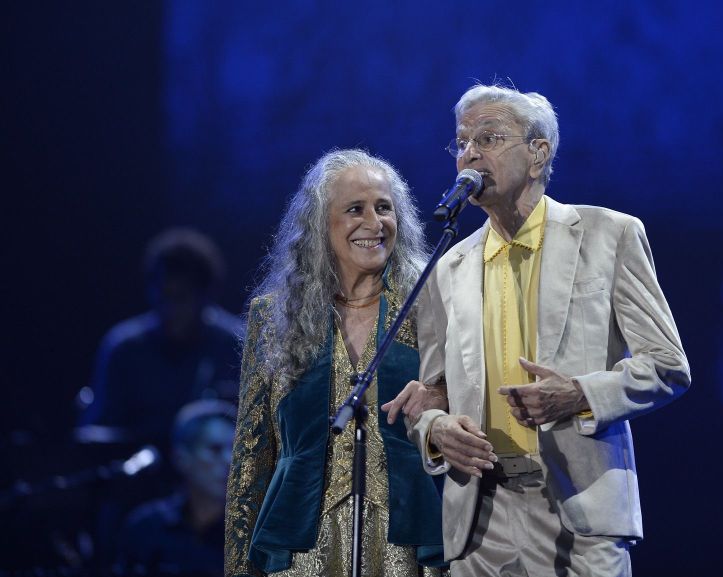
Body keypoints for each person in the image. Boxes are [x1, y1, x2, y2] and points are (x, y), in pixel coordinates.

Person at [384, 84, 691, 576]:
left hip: (579, 507)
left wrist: (579, 394)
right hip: (480, 516)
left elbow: (668, 367)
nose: (470, 153)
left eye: (489, 138)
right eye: (461, 142)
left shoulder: (609, 235)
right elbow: (434, 393)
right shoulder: (451, 266)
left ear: (538, 153)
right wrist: (437, 431)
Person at [225, 149, 446, 576]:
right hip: (301, 552)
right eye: (354, 209)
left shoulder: (431, 306)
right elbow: (251, 457)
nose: (373, 222)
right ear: (320, 226)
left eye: (384, 208)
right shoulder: (275, 319)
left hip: (409, 547)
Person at [79, 228, 242, 447]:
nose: (169, 309)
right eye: (163, 296)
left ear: (206, 295)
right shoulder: (123, 348)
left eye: (181, 298)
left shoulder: (237, 344)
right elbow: (94, 432)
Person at [117, 399, 236, 576]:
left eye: (235, 450)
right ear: (182, 458)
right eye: (215, 449)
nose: (229, 461)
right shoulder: (147, 527)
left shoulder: (250, 532)